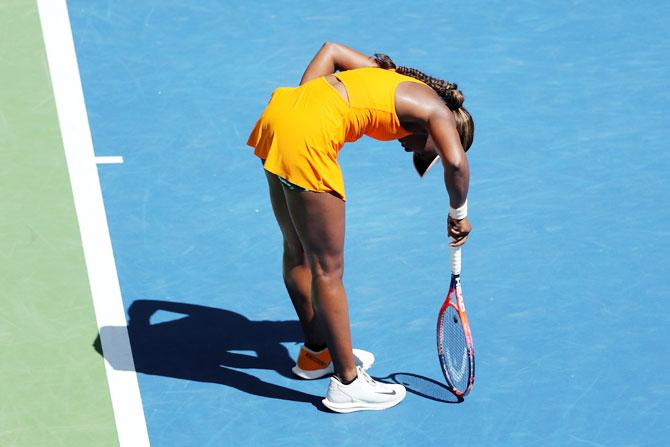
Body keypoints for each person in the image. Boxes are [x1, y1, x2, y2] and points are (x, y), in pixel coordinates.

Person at [246, 42, 474, 413]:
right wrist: (459, 213)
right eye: (425, 151)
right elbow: (457, 164)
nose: (415, 151)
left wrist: (307, 104)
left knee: (297, 250)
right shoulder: (438, 113)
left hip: (280, 116)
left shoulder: (390, 79)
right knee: (328, 269)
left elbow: (331, 51)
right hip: (306, 137)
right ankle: (348, 384)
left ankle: (316, 355)